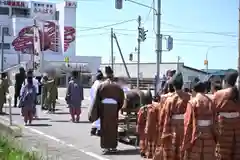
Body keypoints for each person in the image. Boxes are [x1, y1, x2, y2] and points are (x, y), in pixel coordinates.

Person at [153, 72, 191, 160]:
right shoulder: (189, 97)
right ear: (182, 85)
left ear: (173, 86)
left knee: (172, 148)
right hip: (186, 125)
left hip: (173, 126)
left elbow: (164, 115)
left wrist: (162, 128)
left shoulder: (169, 99)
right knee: (183, 147)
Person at [88, 66, 125, 153]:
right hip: (114, 108)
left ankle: (106, 147)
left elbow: (97, 99)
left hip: (104, 108)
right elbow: (121, 99)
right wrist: (117, 107)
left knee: (105, 127)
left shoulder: (102, 85)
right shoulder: (117, 87)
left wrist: (98, 108)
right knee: (113, 127)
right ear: (112, 75)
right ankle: (113, 146)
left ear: (106, 75)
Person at [181, 81, 216, 160]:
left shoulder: (192, 102)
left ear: (194, 90)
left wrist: (185, 142)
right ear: (205, 90)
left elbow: (187, 123)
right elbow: (215, 121)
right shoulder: (211, 101)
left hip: (196, 135)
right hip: (209, 134)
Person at [213, 71, 240, 159]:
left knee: (222, 153)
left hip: (223, 127)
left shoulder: (219, 94)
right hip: (238, 126)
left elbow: (213, 111)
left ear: (225, 82)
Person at [137, 90, 153, 158]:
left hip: (144, 127)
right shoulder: (154, 107)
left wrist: (138, 129)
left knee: (142, 139)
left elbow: (140, 120)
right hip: (152, 126)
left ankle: (143, 151)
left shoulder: (143, 109)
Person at [90, 71, 104, 135]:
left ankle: (93, 129)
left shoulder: (94, 85)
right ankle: (99, 130)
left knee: (95, 115)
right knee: (100, 116)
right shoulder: (100, 85)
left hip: (93, 102)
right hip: (99, 102)